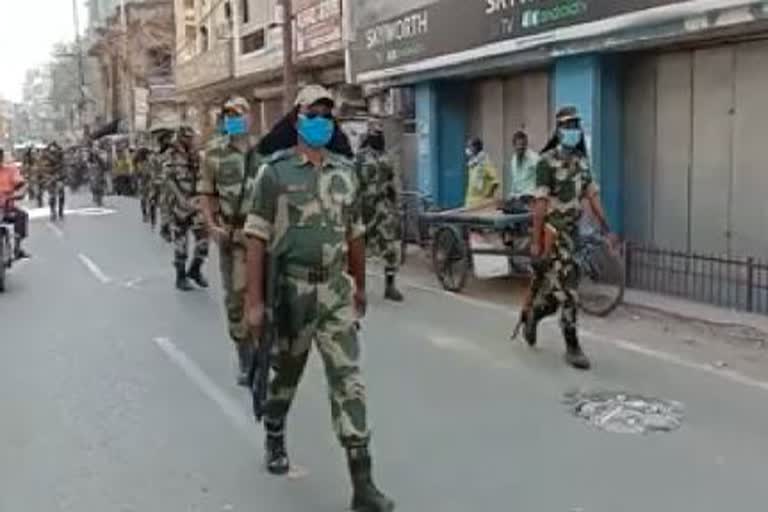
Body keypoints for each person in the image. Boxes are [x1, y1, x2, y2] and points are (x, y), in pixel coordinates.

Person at [244, 85, 394, 512]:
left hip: (335, 290)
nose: (321, 121)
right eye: (314, 113)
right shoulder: (273, 173)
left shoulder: (346, 173)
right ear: (296, 118)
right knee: (286, 374)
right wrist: (254, 302)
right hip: (292, 291)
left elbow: (357, 235)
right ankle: (275, 428)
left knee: (349, 381)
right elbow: (255, 238)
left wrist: (361, 285)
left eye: (328, 116)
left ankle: (363, 484)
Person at [520, 106, 614, 370]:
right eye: (567, 125)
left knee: (555, 293)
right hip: (553, 235)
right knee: (570, 291)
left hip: (573, 235)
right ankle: (572, 346)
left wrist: (607, 228)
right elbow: (539, 204)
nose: (572, 130)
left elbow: (593, 198)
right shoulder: (545, 162)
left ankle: (535, 315)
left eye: (575, 125)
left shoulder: (583, 163)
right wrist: (536, 241)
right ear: (558, 130)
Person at [199, 96, 261, 386]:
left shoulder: (266, 152)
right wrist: (211, 225)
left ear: (250, 117)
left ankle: (265, 351)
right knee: (236, 300)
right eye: (229, 115)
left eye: (240, 114)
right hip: (233, 239)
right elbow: (207, 194)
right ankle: (245, 356)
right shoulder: (213, 154)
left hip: (263, 238)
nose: (234, 119)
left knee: (264, 297)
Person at [356, 122, 403, 301]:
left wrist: (395, 205)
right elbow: (352, 183)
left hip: (382, 208)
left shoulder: (386, 158)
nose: (378, 137)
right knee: (357, 249)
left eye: (380, 134)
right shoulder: (359, 158)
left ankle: (390, 286)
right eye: (375, 134)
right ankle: (356, 286)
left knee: (390, 247)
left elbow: (391, 184)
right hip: (361, 209)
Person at [165, 126, 209, 291]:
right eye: (187, 138)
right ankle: (181, 277)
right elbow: (168, 179)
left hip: (197, 203)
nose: (190, 141)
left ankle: (195, 270)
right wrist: (180, 198)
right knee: (181, 243)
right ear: (180, 138)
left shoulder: (197, 154)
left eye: (191, 138)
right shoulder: (172, 155)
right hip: (181, 205)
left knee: (204, 239)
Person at [0, 149, 30, 259]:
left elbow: (21, 184)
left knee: (21, 216)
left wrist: (20, 193)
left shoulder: (10, 171)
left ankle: (17, 248)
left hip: (7, 208)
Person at [464, 137, 500, 208]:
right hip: (470, 202)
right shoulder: (473, 163)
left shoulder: (485, 162)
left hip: (481, 203)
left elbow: (496, 181)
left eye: (469, 146)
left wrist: (489, 195)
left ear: (476, 147)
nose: (467, 149)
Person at [506, 131, 540, 199]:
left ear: (526, 144)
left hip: (530, 196)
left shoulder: (535, 158)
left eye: (523, 145)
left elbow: (542, 180)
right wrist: (511, 195)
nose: (521, 147)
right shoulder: (514, 159)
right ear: (514, 145)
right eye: (518, 145)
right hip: (516, 196)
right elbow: (514, 180)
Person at [42, 142, 66, 221]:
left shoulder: (61, 156)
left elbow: (63, 167)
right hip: (50, 177)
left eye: (55, 151)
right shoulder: (45, 157)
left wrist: (61, 176)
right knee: (52, 196)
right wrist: (48, 177)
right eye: (52, 151)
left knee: (61, 194)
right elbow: (44, 169)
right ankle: (52, 211)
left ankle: (60, 211)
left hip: (59, 176)